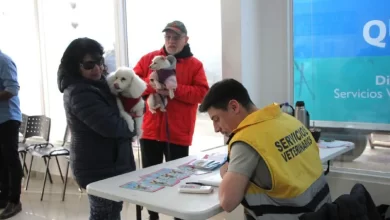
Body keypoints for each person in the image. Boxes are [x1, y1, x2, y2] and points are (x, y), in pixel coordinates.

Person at [198, 79, 331, 220]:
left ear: (234, 107)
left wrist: (226, 172)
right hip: (324, 212)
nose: (216, 128)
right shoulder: (289, 120)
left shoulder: (248, 139)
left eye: (216, 119)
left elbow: (227, 202)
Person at [133, 21, 209, 220]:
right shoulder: (149, 59)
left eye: (176, 37)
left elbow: (202, 94)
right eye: (168, 37)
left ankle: (179, 216)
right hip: (149, 131)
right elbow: (132, 85)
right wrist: (154, 87)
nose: (171, 41)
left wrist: (174, 90)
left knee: (179, 181)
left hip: (178, 133)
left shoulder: (195, 65)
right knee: (148, 180)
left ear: (186, 39)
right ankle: (152, 215)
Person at [57, 38, 136, 220]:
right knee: (105, 215)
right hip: (99, 169)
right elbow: (114, 127)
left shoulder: (101, 85)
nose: (98, 69)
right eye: (89, 64)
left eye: (100, 62)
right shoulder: (80, 93)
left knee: (108, 212)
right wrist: (134, 123)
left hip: (110, 164)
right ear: (74, 66)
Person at [0, 50, 23, 219]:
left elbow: (12, 90)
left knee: (10, 159)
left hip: (8, 118)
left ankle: (15, 201)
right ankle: (4, 196)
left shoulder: (4, 61)